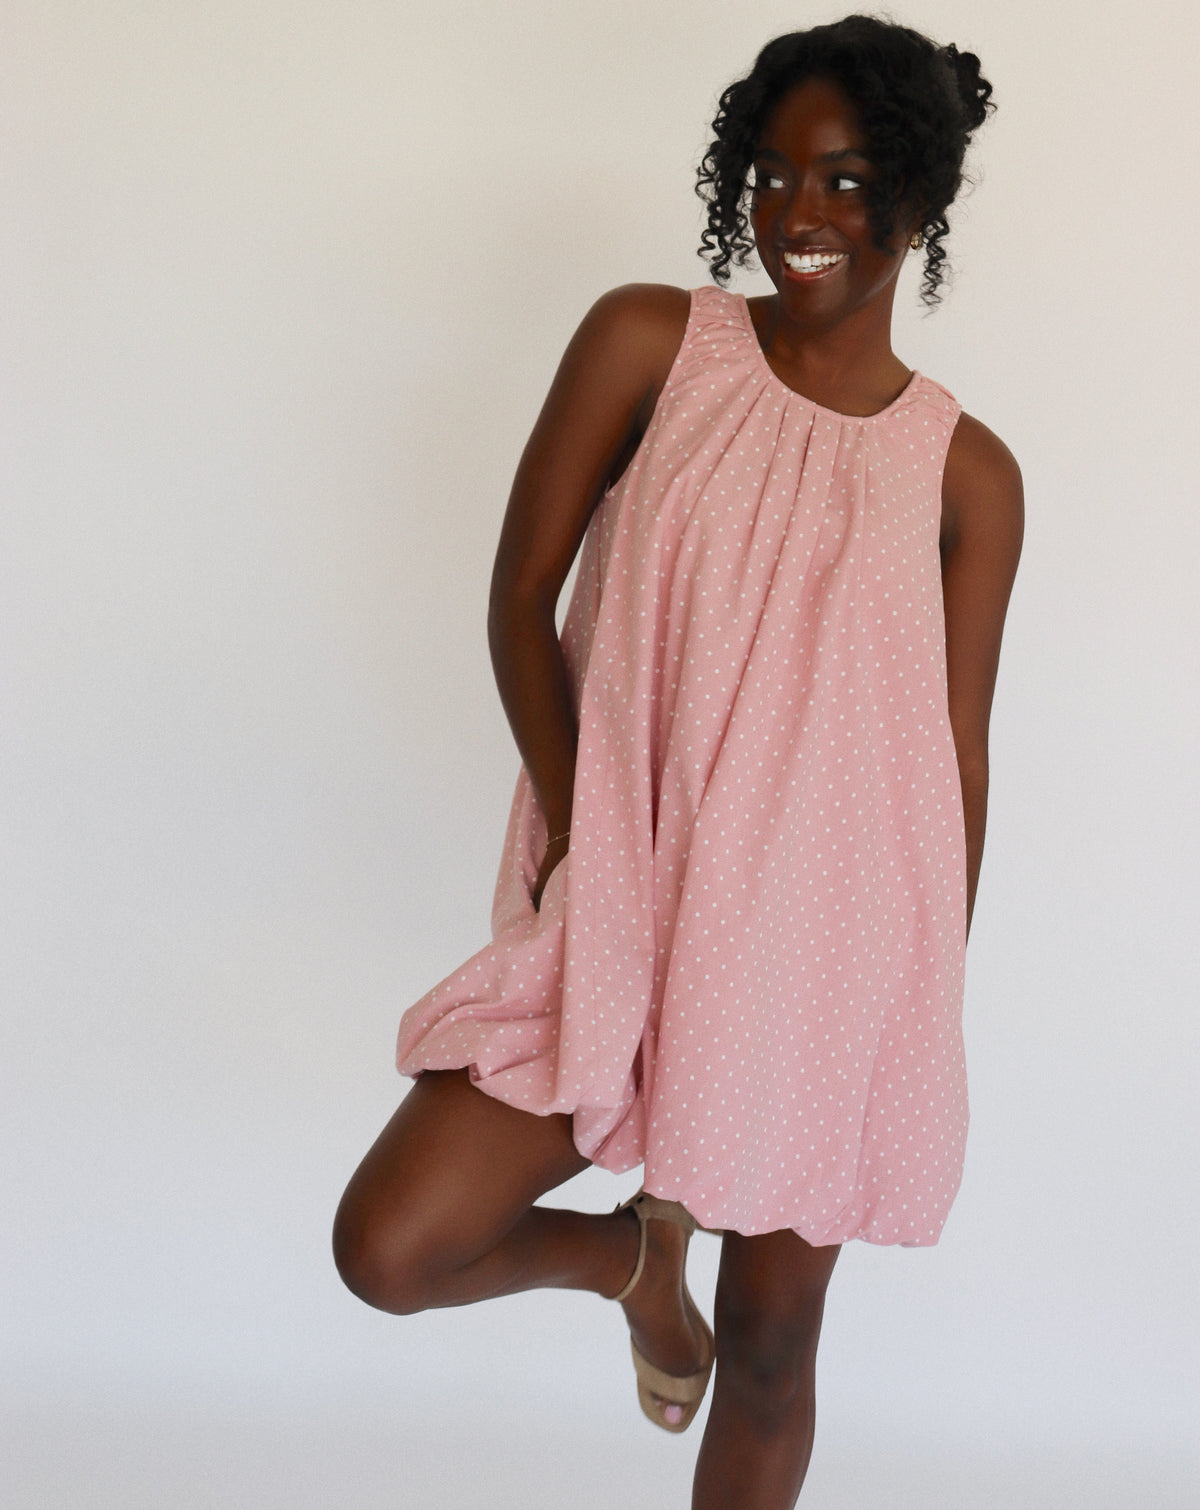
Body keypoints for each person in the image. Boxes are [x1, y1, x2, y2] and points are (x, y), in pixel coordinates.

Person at [333, 14, 1024, 1506]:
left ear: (917, 195)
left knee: (777, 1353)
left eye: (845, 180)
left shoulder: (969, 475)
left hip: (826, 962)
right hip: (625, 902)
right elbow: (521, 593)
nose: (802, 215)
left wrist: (919, 1000)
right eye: (772, 176)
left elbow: (953, 757)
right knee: (387, 1243)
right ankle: (628, 1260)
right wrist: (594, 839)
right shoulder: (654, 342)